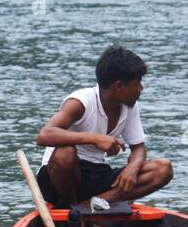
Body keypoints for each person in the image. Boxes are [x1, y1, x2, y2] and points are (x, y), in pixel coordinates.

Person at [34, 45, 172, 210]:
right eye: (137, 83)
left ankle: (85, 208)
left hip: (96, 175)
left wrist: (132, 169)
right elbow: (44, 135)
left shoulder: (130, 106)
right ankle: (72, 206)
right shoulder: (81, 102)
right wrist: (94, 138)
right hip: (59, 180)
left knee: (162, 169)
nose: (141, 88)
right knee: (65, 154)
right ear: (119, 86)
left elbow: (139, 148)